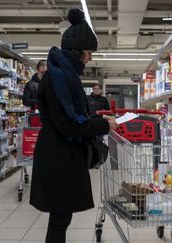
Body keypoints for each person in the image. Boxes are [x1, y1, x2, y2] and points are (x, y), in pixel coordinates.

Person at [29, 8, 118, 243]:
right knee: (59, 219)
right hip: (58, 155)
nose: (90, 58)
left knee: (61, 218)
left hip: (59, 152)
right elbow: (68, 124)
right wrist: (103, 127)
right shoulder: (59, 78)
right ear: (77, 51)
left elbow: (73, 117)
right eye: (88, 52)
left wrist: (99, 121)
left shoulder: (61, 74)